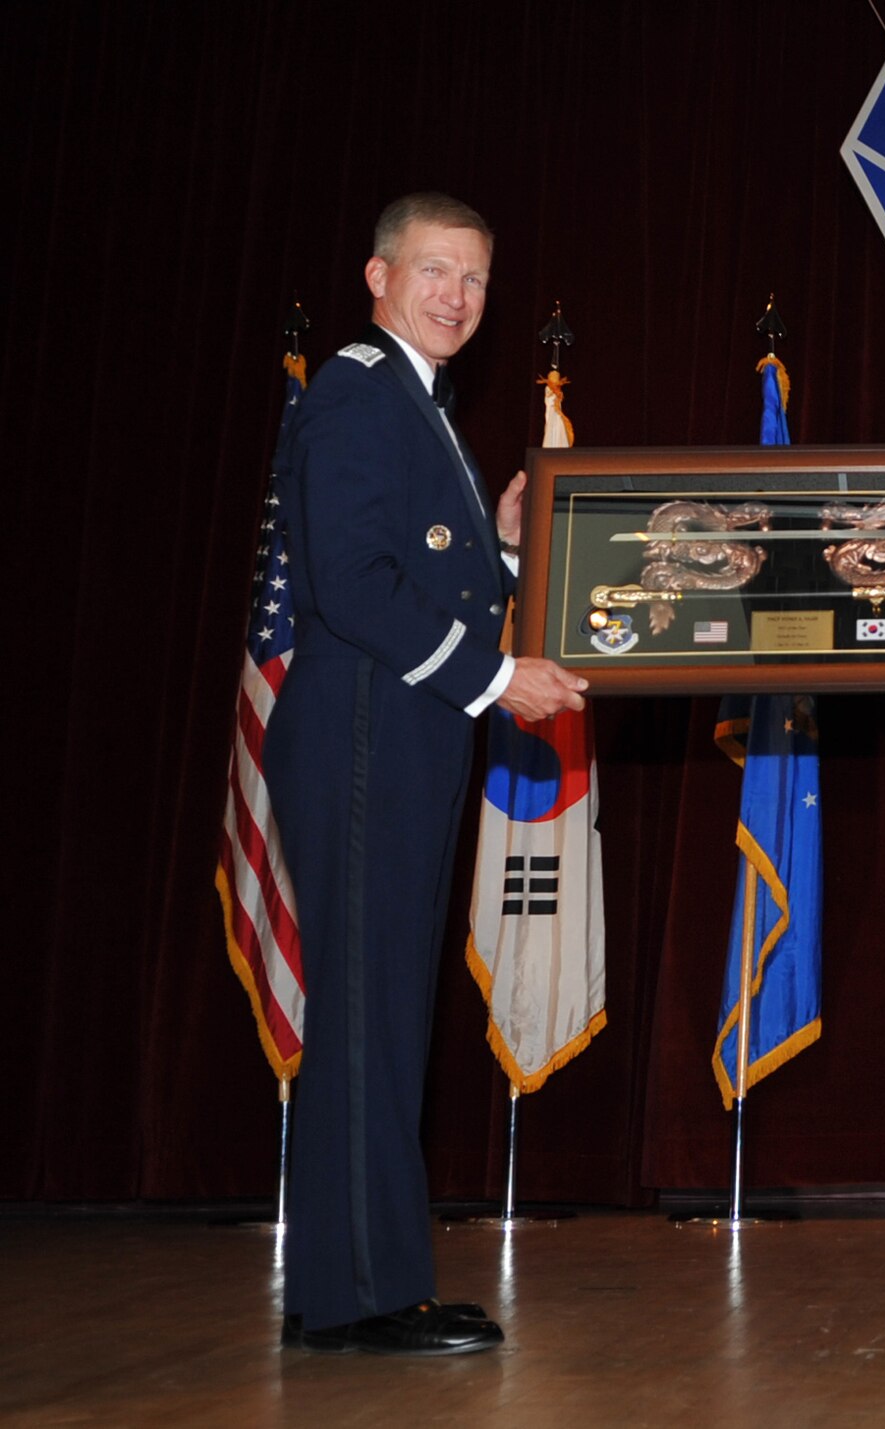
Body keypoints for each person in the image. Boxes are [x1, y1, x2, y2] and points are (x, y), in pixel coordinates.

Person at [265, 192, 588, 1355]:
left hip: (399, 731)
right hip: (363, 727)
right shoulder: (360, 390)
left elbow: (425, 573)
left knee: (387, 1009)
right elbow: (353, 584)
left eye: (476, 278)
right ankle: (360, 1294)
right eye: (435, 271)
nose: (457, 296)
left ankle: (360, 1280)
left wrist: (502, 542)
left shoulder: (419, 399)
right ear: (379, 275)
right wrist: (497, 679)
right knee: (368, 1015)